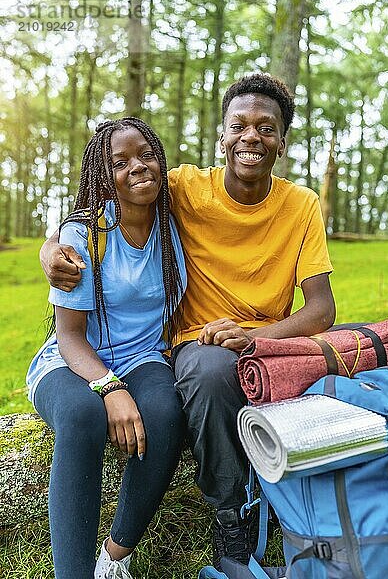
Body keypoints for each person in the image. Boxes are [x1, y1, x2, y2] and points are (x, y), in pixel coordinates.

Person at [39, 74, 336, 570]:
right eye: (238, 125)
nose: (251, 137)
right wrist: (52, 249)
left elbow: (322, 310)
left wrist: (257, 336)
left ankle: (118, 555)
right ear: (221, 136)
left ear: (282, 143)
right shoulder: (181, 187)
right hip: (198, 343)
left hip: (269, 338)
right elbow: (96, 202)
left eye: (267, 128)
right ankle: (228, 515)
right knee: (209, 370)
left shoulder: (301, 204)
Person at [26, 117, 187, 579]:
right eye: (120, 162)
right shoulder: (84, 236)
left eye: (146, 155)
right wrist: (110, 390)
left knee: (164, 411)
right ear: (102, 175)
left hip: (143, 356)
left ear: (160, 161)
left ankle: (115, 557)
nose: (137, 167)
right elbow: (70, 336)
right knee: (82, 416)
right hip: (74, 360)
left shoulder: (174, 226)